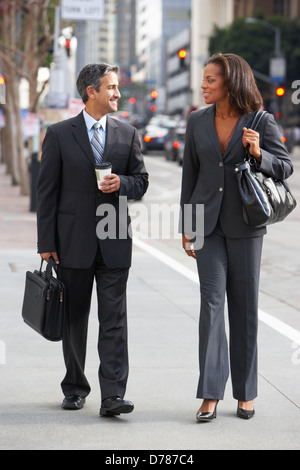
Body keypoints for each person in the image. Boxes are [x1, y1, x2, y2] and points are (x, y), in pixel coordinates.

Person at [180, 53, 293, 421]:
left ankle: (246, 393)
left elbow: (285, 166)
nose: (203, 85)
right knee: (210, 305)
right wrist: (188, 225)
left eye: (210, 80)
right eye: (204, 79)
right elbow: (190, 177)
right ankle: (211, 393)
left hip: (246, 224)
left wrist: (259, 152)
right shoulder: (197, 121)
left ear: (230, 82)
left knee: (243, 308)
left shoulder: (261, 120)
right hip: (208, 227)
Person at [36, 63, 148, 417]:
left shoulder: (128, 133)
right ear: (91, 92)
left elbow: (141, 182)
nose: (118, 93)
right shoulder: (58, 134)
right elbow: (47, 193)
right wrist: (46, 241)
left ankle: (113, 395)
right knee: (74, 318)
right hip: (72, 242)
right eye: (112, 87)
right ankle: (74, 387)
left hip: (114, 237)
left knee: (114, 319)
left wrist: (123, 184)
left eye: (117, 87)